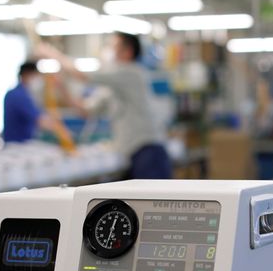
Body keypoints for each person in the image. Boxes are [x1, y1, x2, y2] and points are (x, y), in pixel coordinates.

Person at [37, 33, 172, 179]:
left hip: (148, 152)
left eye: (113, 46)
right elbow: (85, 111)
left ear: (128, 51)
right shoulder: (112, 86)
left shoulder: (131, 72)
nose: (109, 51)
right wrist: (63, 89)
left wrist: (53, 54)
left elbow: (82, 76)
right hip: (131, 155)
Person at [3, 61, 72, 147]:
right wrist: (62, 131)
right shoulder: (19, 96)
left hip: (18, 143)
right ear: (26, 75)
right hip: (17, 145)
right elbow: (41, 120)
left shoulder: (18, 93)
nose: (38, 79)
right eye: (35, 76)